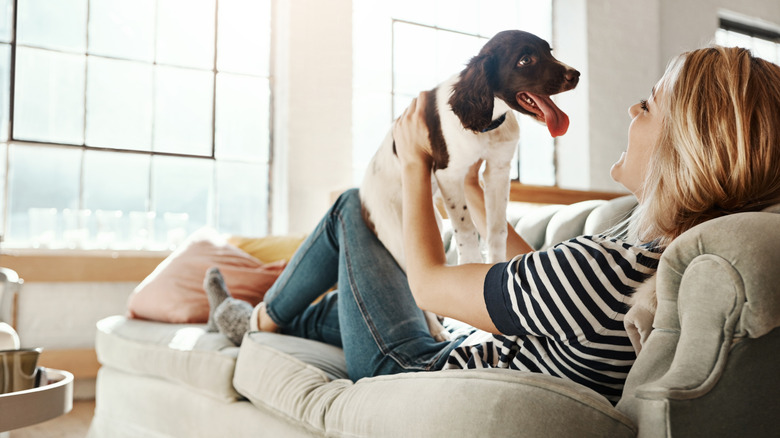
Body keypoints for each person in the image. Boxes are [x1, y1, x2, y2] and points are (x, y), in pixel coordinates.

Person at [205, 46, 780, 404]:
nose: (633, 111)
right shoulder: (648, 249)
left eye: (648, 105)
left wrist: (415, 160)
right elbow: (536, 281)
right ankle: (258, 318)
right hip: (454, 344)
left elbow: (429, 285)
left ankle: (260, 316)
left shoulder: (603, 273)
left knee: (351, 210)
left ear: (687, 147)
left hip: (410, 365)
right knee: (339, 307)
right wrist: (475, 189)